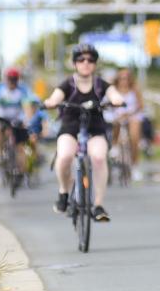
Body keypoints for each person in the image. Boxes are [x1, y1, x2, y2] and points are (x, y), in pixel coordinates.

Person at [42, 44, 125, 222]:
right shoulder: (67, 84)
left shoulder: (100, 84)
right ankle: (64, 192)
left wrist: (117, 100)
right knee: (64, 156)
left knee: (99, 157)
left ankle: (98, 205)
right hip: (70, 125)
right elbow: (55, 97)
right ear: (75, 63)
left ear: (95, 64)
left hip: (95, 126)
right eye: (81, 59)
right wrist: (50, 102)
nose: (86, 63)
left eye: (90, 60)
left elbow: (114, 94)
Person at [0, 67, 38, 177]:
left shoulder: (23, 89)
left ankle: (21, 168)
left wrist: (28, 120)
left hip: (17, 118)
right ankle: (1, 153)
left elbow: (27, 107)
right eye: (10, 79)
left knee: (20, 145)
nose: (12, 82)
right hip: (2, 117)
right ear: (6, 79)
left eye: (14, 79)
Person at [110, 68, 145, 181]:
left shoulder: (134, 90)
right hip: (118, 116)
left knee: (134, 137)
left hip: (132, 115)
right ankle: (114, 145)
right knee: (115, 123)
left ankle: (135, 166)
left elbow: (140, 105)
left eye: (126, 78)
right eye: (121, 78)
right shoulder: (113, 90)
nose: (124, 80)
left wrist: (129, 114)